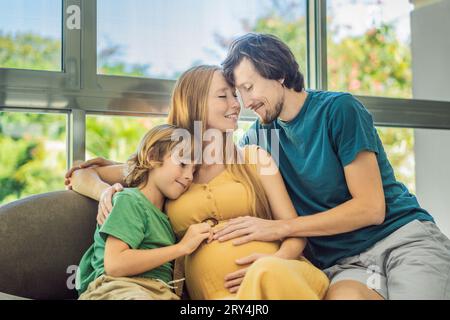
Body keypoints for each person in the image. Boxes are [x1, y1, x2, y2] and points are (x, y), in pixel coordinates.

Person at [211, 33, 450, 300]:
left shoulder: (339, 110)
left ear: (278, 73)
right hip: (346, 264)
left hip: (401, 238)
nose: (245, 102)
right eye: (237, 92)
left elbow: (371, 209)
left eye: (249, 87)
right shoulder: (261, 137)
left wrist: (283, 227)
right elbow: (215, 165)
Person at [66, 65, 330, 300]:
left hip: (282, 277)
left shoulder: (255, 158)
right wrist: (105, 193)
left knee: (266, 274)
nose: (236, 104)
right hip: (216, 294)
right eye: (222, 95)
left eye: (235, 95)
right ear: (195, 103)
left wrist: (272, 260)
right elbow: (80, 174)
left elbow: (294, 232)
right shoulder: (169, 166)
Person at [73, 124, 212, 300]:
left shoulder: (168, 218)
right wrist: (182, 247)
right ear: (152, 156)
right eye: (183, 163)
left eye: (193, 170)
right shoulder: (129, 200)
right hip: (117, 288)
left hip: (158, 292)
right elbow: (115, 264)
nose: (189, 176)